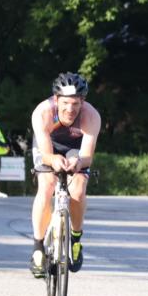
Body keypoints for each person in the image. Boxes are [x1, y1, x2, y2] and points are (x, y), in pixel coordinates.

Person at [30, 72, 101, 277]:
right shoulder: (42, 112)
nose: (70, 109)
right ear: (56, 99)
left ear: (82, 101)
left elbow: (87, 157)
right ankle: (38, 248)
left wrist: (78, 162)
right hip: (48, 147)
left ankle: (75, 239)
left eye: (76, 103)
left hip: (75, 150)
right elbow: (45, 154)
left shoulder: (91, 116)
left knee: (78, 189)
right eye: (66, 103)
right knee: (47, 185)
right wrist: (54, 160)